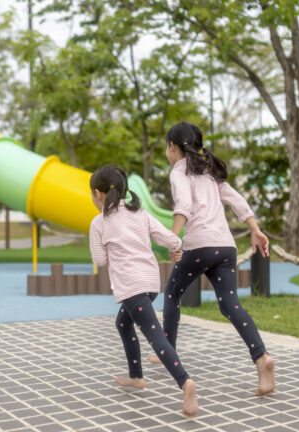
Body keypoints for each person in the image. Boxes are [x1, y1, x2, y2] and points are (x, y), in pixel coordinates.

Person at [147, 122, 276, 396]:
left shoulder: (179, 171)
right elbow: (236, 199)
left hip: (201, 246)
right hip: (225, 247)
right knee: (230, 305)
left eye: (166, 148)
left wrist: (173, 239)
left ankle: (165, 351)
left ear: (173, 147)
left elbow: (182, 205)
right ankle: (261, 357)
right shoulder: (209, 171)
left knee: (171, 293)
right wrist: (255, 229)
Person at [88, 165, 198, 417]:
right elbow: (168, 238)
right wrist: (178, 246)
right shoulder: (140, 213)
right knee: (123, 324)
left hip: (130, 286)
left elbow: (100, 260)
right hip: (150, 282)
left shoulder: (99, 223)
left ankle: (185, 382)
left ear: (98, 194)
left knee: (155, 335)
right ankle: (136, 377)